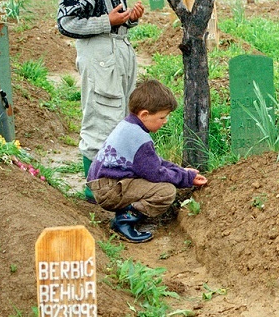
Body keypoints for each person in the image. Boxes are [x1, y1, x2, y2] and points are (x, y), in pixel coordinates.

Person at [57, 0, 145, 200]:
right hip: (98, 55)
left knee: (121, 114)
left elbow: (116, 16)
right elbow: (66, 23)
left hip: (119, 49)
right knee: (99, 116)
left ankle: (116, 180)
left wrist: (130, 18)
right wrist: (107, 22)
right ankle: (93, 189)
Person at [87, 79, 208, 243]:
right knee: (165, 192)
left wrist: (183, 172)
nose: (165, 121)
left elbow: (155, 162)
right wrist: (186, 179)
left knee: (158, 185)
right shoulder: (139, 138)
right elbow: (156, 173)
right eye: (162, 117)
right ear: (144, 114)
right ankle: (124, 221)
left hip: (106, 184)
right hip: (109, 190)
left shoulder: (129, 126)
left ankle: (127, 214)